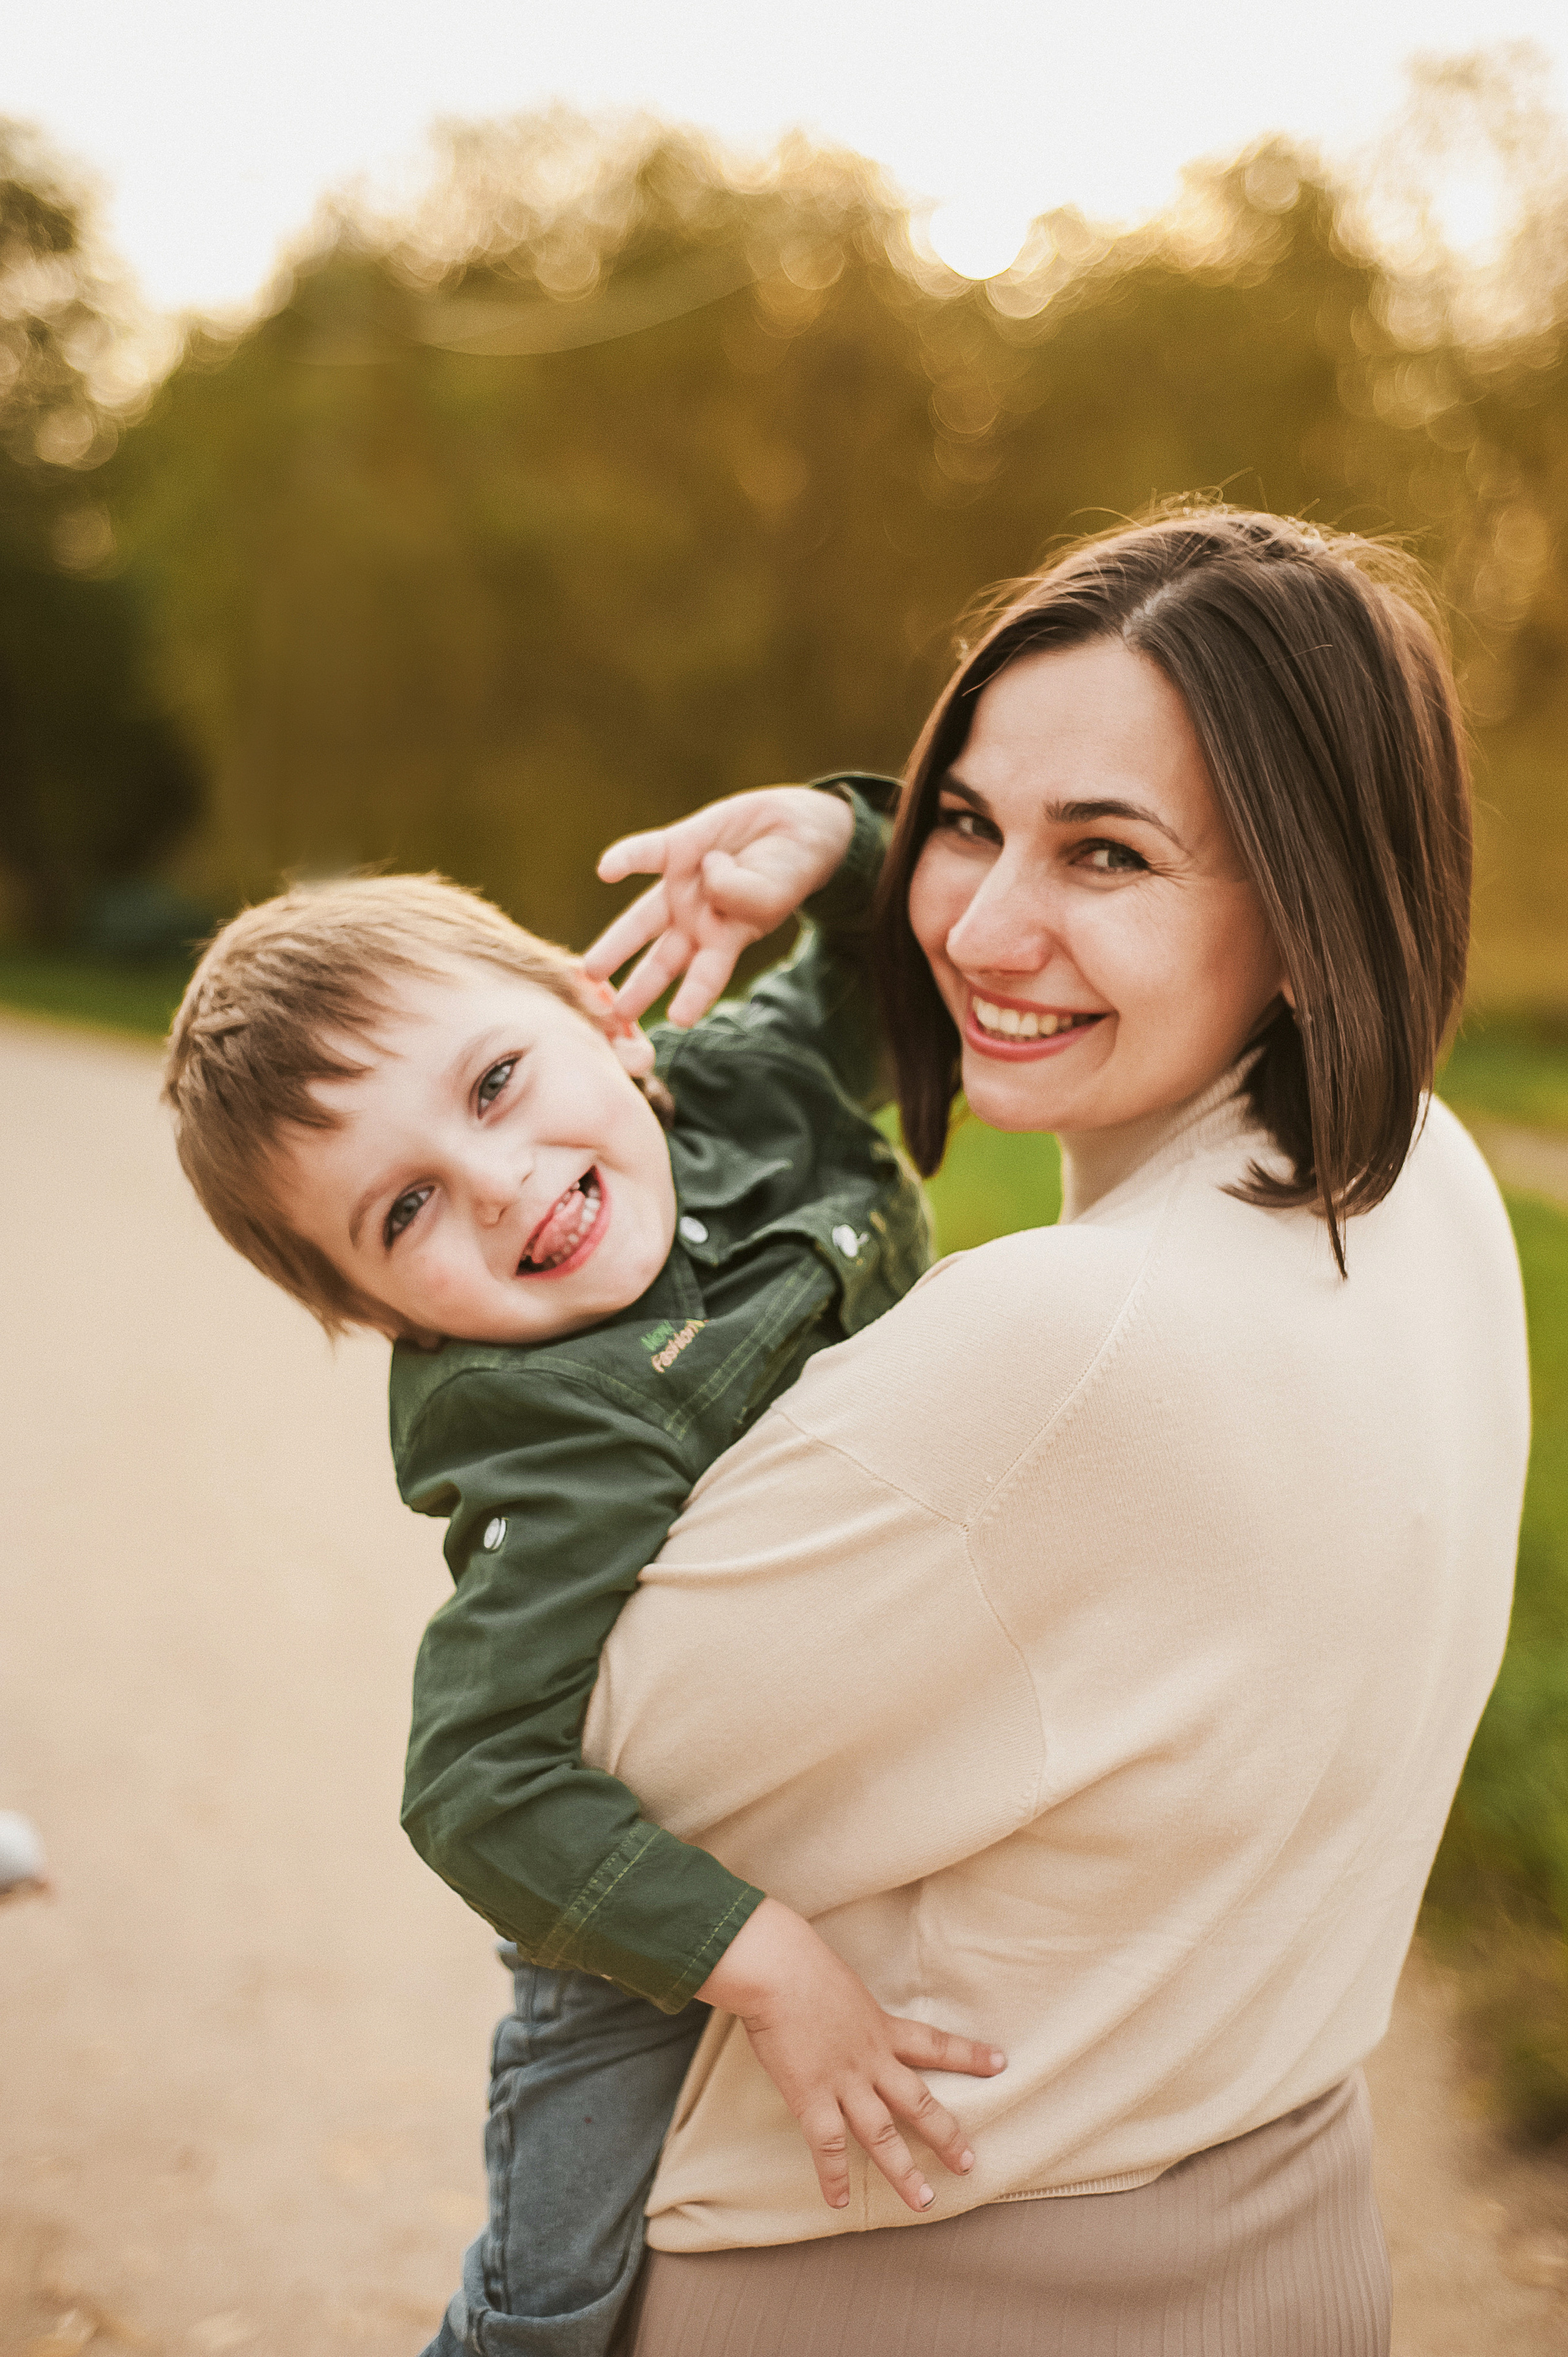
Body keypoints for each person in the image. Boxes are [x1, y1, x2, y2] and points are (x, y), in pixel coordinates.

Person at [565, 509, 1531, 2356]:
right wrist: (862, 838)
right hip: (1292, 2235)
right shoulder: (1420, 1187)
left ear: (1320, 913)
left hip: (929, 2278)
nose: (984, 924)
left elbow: (600, 1789)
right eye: (966, 822)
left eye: (1110, 852)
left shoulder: (1062, 1346)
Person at [159, 780, 1004, 2357]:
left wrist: (841, 842)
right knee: (552, 2303)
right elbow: (476, 1779)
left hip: (862, 1747)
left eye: (492, 1082)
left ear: (602, 1019)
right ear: (387, 1314)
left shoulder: (740, 1092)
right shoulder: (545, 1421)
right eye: (402, 1210)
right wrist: (757, 1969)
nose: (491, 1182)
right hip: (629, 1909)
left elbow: (914, 970)